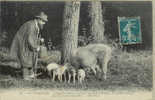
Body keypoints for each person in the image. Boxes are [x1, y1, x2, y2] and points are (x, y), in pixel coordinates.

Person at [10, 12, 48, 80]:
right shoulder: (31, 26)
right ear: (38, 19)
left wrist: (39, 40)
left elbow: (33, 37)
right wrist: (35, 47)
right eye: (43, 21)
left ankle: (31, 74)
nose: (44, 23)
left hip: (26, 42)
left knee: (31, 56)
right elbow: (30, 39)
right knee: (26, 58)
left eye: (44, 21)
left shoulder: (35, 25)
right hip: (23, 43)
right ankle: (26, 76)